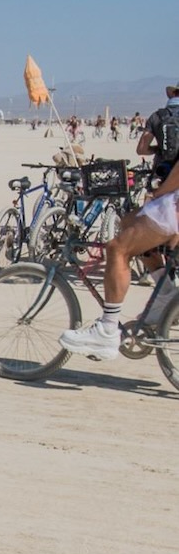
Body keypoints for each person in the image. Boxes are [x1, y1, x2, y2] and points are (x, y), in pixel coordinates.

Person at [61, 80, 179, 357]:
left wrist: (159, 194)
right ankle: (164, 294)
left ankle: (106, 329)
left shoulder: (159, 116)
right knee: (129, 222)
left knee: (117, 248)